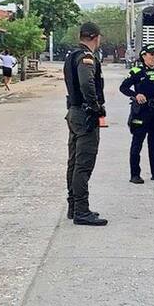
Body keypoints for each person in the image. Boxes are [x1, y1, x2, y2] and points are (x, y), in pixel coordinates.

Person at [64, 22, 108, 226]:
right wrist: (95, 106)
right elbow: (86, 83)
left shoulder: (72, 55)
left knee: (74, 163)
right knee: (83, 164)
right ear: (95, 37)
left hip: (74, 113)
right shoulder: (86, 58)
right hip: (84, 115)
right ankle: (81, 210)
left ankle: (74, 206)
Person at [120, 44, 154, 184]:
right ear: (144, 56)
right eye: (151, 54)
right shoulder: (137, 71)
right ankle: (135, 174)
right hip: (141, 113)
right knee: (137, 143)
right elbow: (123, 87)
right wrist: (136, 95)